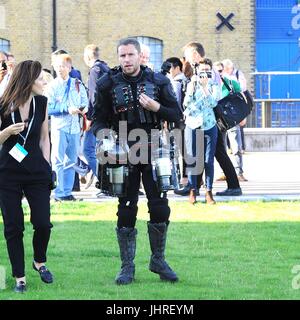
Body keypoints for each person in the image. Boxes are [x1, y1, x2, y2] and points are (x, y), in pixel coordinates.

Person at [92, 37, 181, 285]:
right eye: (122, 56)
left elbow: (177, 115)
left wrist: (156, 107)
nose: (126, 60)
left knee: (160, 205)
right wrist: (105, 137)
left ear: (140, 56)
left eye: (131, 55)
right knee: (127, 207)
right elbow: (96, 119)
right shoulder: (107, 83)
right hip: (122, 150)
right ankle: (127, 266)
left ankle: (158, 260)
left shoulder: (158, 81)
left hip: (152, 146)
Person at [0, 60, 54, 293]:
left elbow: (44, 137)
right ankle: (19, 277)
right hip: (8, 173)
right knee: (13, 226)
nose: (44, 82)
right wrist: (5, 132)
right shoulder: (2, 104)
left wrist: (48, 164)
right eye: (40, 78)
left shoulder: (42, 103)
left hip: (37, 172)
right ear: (28, 80)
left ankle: (39, 261)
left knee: (43, 222)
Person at [47, 54, 88, 201]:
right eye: (57, 66)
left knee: (71, 161)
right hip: (60, 128)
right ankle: (58, 193)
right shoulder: (52, 86)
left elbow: (85, 101)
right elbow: (48, 108)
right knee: (58, 160)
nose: (60, 69)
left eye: (63, 66)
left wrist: (83, 109)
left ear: (70, 68)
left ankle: (67, 192)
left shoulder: (77, 83)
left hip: (75, 128)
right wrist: (66, 109)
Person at [182, 57, 220, 204]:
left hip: (209, 125)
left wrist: (205, 87)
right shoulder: (191, 83)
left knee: (208, 160)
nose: (204, 73)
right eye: (202, 70)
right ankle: (192, 190)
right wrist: (192, 88)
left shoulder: (214, 85)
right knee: (192, 159)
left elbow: (213, 102)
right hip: (192, 124)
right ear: (197, 70)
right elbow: (186, 103)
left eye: (207, 71)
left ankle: (208, 191)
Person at [82, 44, 109, 179]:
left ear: (87, 57)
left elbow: (93, 96)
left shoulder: (94, 71)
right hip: (107, 117)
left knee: (87, 150)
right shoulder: (106, 68)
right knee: (102, 152)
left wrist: (89, 117)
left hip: (97, 118)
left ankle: (104, 182)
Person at [222, 59, 248, 182]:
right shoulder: (218, 80)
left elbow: (242, 98)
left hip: (232, 117)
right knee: (222, 148)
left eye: (227, 69)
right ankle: (225, 172)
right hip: (221, 118)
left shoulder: (237, 77)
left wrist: (243, 116)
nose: (225, 71)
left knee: (236, 146)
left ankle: (239, 172)